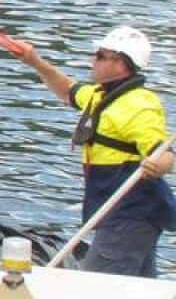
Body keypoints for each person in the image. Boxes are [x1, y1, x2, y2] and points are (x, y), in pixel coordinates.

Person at [15, 27, 176, 277]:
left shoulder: (139, 105)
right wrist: (34, 61)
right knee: (140, 288)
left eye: (100, 56)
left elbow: (163, 153)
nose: (94, 60)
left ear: (121, 64)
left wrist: (159, 165)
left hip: (129, 213)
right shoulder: (100, 95)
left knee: (95, 284)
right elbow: (67, 89)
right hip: (124, 212)